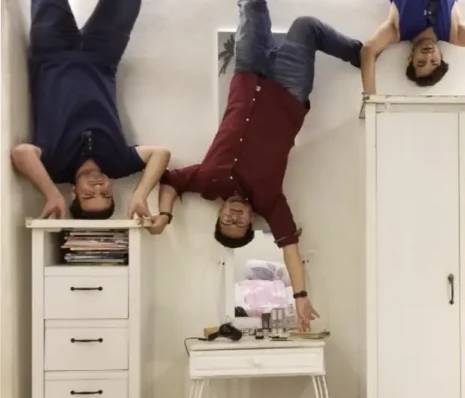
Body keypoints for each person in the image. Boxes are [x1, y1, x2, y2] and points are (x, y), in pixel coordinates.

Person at [147, 0, 363, 330]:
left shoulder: (206, 181)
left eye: (227, 221)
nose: (234, 217)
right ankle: (360, 54)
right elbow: (289, 246)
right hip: (289, 90)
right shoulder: (270, 201)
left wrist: (165, 216)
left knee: (251, 6)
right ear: (251, 221)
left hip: (247, 75)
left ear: (219, 213)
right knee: (306, 26)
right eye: (240, 224)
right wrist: (300, 296)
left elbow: (171, 181)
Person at [12, 0, 171, 220]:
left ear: (74, 193)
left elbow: (21, 153)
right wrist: (140, 196)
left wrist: (51, 194)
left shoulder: (54, 168)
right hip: (103, 57)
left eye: (88, 195)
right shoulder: (120, 164)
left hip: (52, 55)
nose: (98, 187)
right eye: (106, 194)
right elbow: (161, 154)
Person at [362, 0, 465, 95]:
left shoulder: (396, 30)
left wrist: (370, 99)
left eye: (421, 62)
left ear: (411, 57)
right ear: (441, 56)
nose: (428, 55)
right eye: (434, 61)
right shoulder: (455, 32)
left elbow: (368, 50)